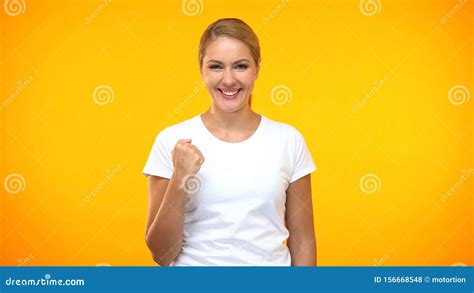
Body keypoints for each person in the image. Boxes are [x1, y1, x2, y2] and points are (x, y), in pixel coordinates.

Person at [143, 18, 317, 266]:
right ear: (201, 69)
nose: (228, 80)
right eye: (216, 66)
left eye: (240, 66)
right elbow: (161, 254)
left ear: (257, 68)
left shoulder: (289, 140)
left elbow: (303, 241)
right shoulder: (170, 140)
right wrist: (180, 177)